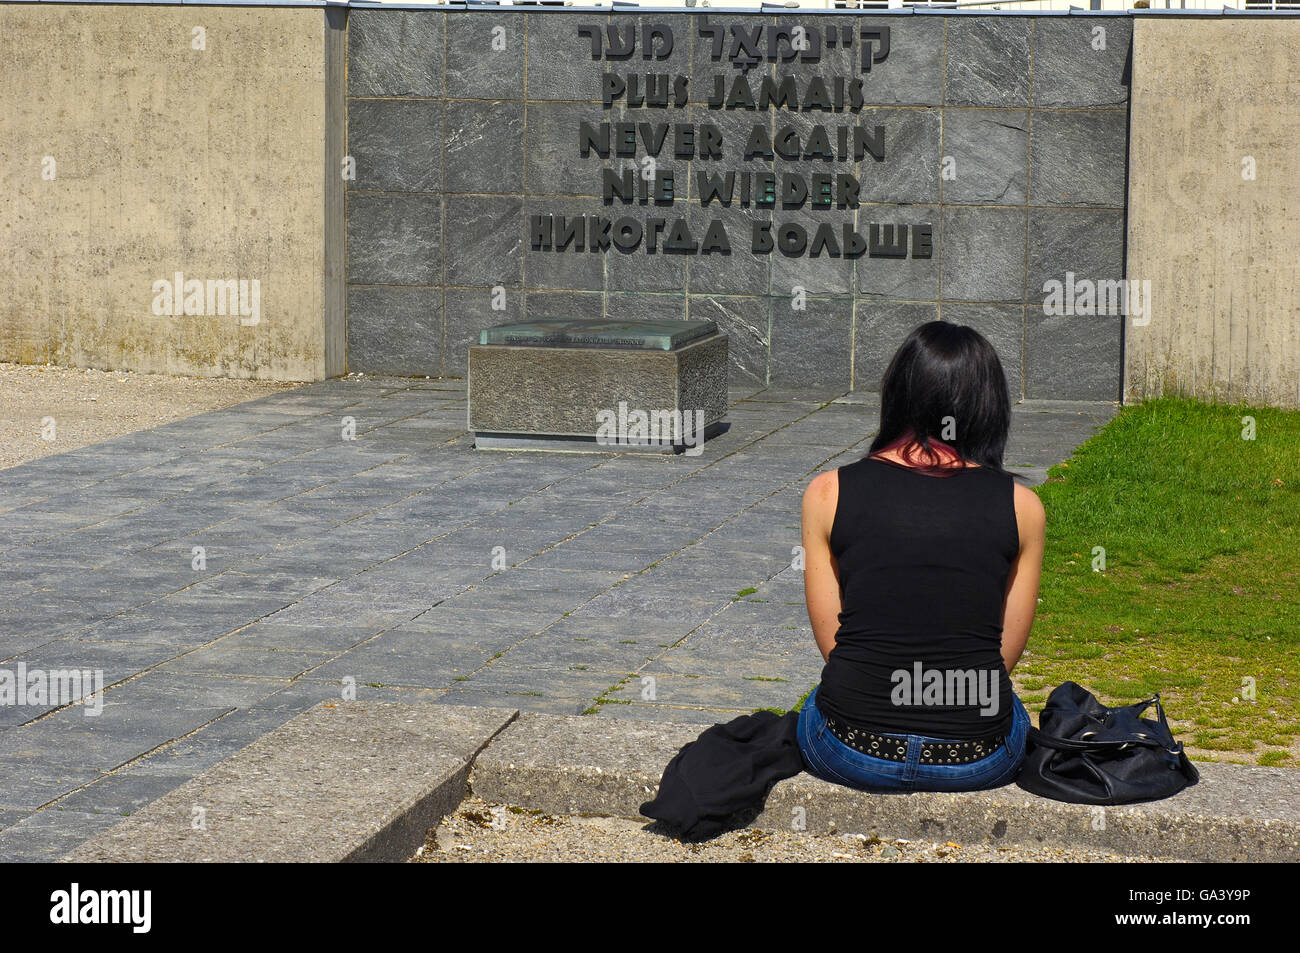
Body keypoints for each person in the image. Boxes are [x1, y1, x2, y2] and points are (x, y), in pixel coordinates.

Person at [797, 321, 1046, 792]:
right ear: (989, 405)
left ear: (898, 393)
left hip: (851, 749)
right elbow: (1003, 656)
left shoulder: (827, 493)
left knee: (821, 700)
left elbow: (835, 645)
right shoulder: (1022, 507)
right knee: (1013, 708)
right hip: (975, 756)